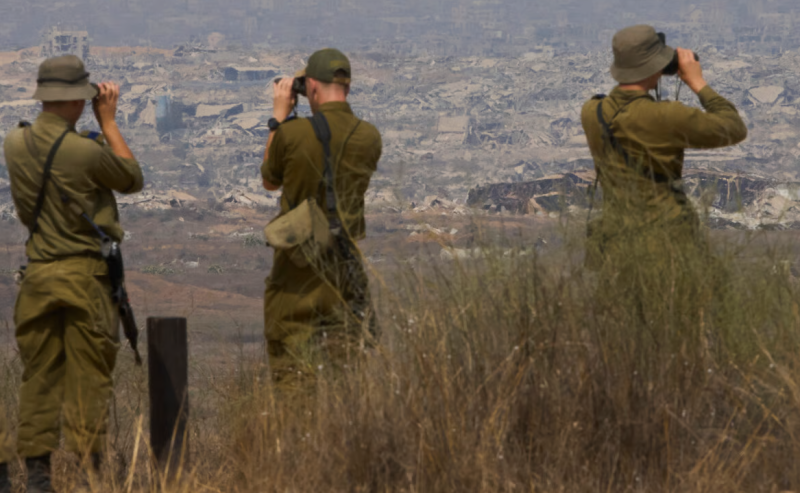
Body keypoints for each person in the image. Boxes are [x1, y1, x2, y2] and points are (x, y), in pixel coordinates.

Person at [0, 55, 142, 492]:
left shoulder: (14, 143)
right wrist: (110, 121)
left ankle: (37, 478)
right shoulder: (85, 151)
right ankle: (87, 477)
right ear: (79, 100)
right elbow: (132, 178)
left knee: (38, 377)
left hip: (38, 277)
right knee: (89, 379)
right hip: (85, 279)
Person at [261, 48, 382, 388]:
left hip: (298, 270)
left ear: (311, 86)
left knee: (294, 376)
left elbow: (270, 179)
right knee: (347, 378)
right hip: (346, 268)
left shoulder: (293, 133)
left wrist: (279, 118)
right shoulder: (369, 137)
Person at [581, 24, 747, 268]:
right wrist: (697, 82)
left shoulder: (592, 111)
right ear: (655, 67)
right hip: (667, 248)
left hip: (616, 249)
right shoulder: (665, 116)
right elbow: (733, 128)